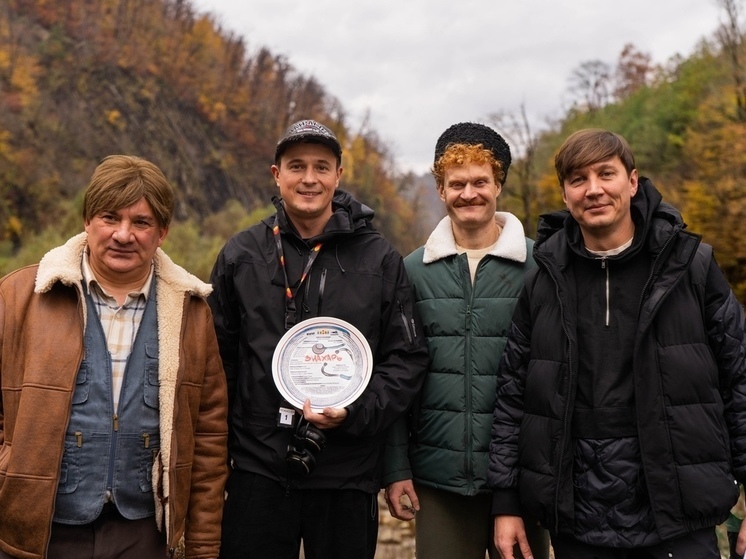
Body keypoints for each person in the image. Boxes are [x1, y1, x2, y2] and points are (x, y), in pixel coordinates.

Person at [488, 128, 746, 559]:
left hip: (678, 512)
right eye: (578, 180)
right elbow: (514, 394)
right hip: (577, 515)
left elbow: (740, 380)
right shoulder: (543, 279)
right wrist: (506, 502)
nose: (594, 190)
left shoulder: (692, 268)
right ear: (565, 193)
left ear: (632, 180)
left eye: (605, 174)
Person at [209, 119, 429, 559]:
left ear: (338, 175)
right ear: (276, 174)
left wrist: (356, 412)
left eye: (321, 167)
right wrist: (222, 457)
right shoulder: (242, 254)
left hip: (346, 470)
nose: (309, 179)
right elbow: (217, 363)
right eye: (296, 166)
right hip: (257, 468)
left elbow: (407, 359)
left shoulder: (379, 259)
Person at [0, 155, 229, 559]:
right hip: (41, 533)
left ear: (162, 232)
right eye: (110, 217)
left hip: (144, 536)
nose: (124, 235)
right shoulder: (19, 296)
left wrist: (202, 547)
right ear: (88, 221)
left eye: (141, 222)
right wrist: (10, 475)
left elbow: (209, 442)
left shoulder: (191, 313)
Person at [381, 122, 549, 559]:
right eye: (457, 184)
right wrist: (396, 467)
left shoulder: (540, 267)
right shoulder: (412, 271)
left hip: (524, 474)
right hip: (441, 479)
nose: (469, 193)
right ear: (441, 190)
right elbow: (398, 375)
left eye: (480, 182)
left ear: (498, 185)